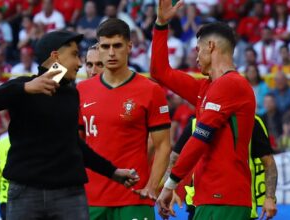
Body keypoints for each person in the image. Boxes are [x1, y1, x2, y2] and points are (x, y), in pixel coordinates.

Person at [0, 30, 139, 220]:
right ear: (55, 56)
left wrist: (112, 172)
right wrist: (24, 88)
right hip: (25, 192)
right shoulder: (23, 86)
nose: (80, 63)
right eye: (75, 55)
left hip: (69, 193)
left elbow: (73, 143)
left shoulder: (72, 94)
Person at [152, 1, 256, 219]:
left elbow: (200, 138)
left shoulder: (232, 85)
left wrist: (170, 184)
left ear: (211, 46)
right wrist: (161, 24)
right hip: (208, 198)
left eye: (198, 50)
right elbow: (160, 72)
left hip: (226, 199)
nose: (196, 57)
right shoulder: (206, 88)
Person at [77, 18, 171, 220]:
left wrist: (152, 187)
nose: (111, 53)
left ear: (129, 46)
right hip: (91, 199)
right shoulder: (81, 91)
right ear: (98, 48)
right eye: (105, 46)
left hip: (134, 199)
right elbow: (74, 145)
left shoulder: (151, 91)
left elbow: (163, 145)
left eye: (117, 46)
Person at [169, 115, 278, 219]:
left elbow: (269, 163)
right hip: (198, 204)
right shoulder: (196, 123)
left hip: (238, 203)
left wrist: (269, 198)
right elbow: (173, 159)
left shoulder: (251, 122)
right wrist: (170, 189)